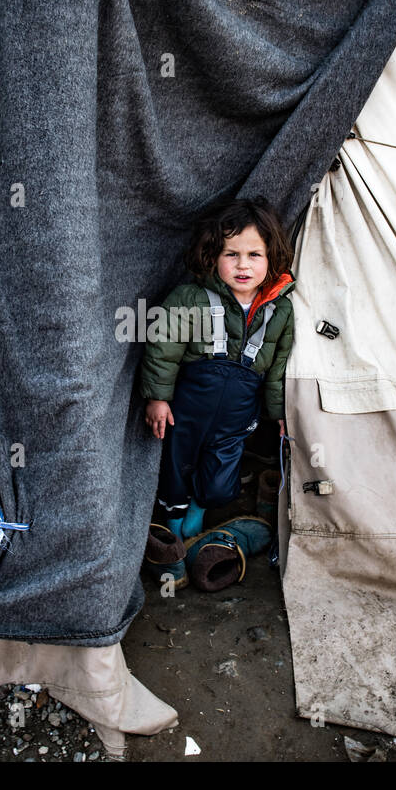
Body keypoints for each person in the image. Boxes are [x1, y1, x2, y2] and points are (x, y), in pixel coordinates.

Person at [138, 197, 295, 589]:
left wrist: (279, 415)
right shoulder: (189, 298)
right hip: (187, 412)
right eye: (232, 254)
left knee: (220, 479)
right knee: (176, 468)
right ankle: (173, 537)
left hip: (237, 417)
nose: (243, 265)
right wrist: (157, 397)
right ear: (214, 256)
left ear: (272, 257)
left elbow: (277, 372)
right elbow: (163, 349)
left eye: (254, 254)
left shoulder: (281, 312)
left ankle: (197, 519)